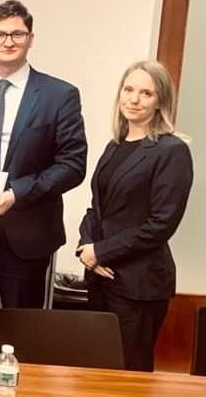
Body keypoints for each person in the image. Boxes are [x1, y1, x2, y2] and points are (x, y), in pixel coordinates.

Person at [0, 0, 87, 358]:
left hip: (26, 232)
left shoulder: (59, 95)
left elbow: (73, 164)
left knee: (21, 334)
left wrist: (15, 194)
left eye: (17, 34)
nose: (8, 41)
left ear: (30, 38)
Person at [77, 60, 193, 371]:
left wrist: (101, 252)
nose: (134, 99)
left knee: (129, 376)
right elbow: (96, 209)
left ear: (160, 102)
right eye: (129, 90)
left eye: (146, 93)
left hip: (139, 284)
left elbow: (160, 224)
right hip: (100, 279)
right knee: (97, 372)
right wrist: (87, 248)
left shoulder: (172, 151)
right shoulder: (115, 145)